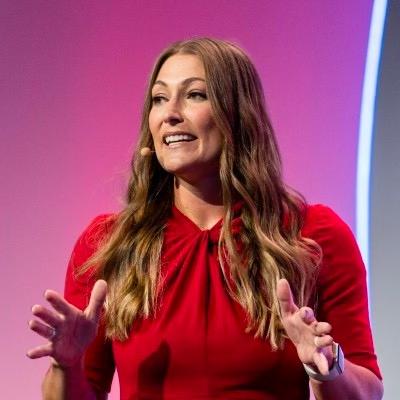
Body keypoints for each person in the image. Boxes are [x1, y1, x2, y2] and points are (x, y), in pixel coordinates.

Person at [27, 38, 383, 400]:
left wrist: (326, 366)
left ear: (238, 115)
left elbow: (367, 391)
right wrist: (66, 365)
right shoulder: (108, 244)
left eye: (195, 95)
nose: (170, 114)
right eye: (159, 99)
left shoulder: (312, 235)